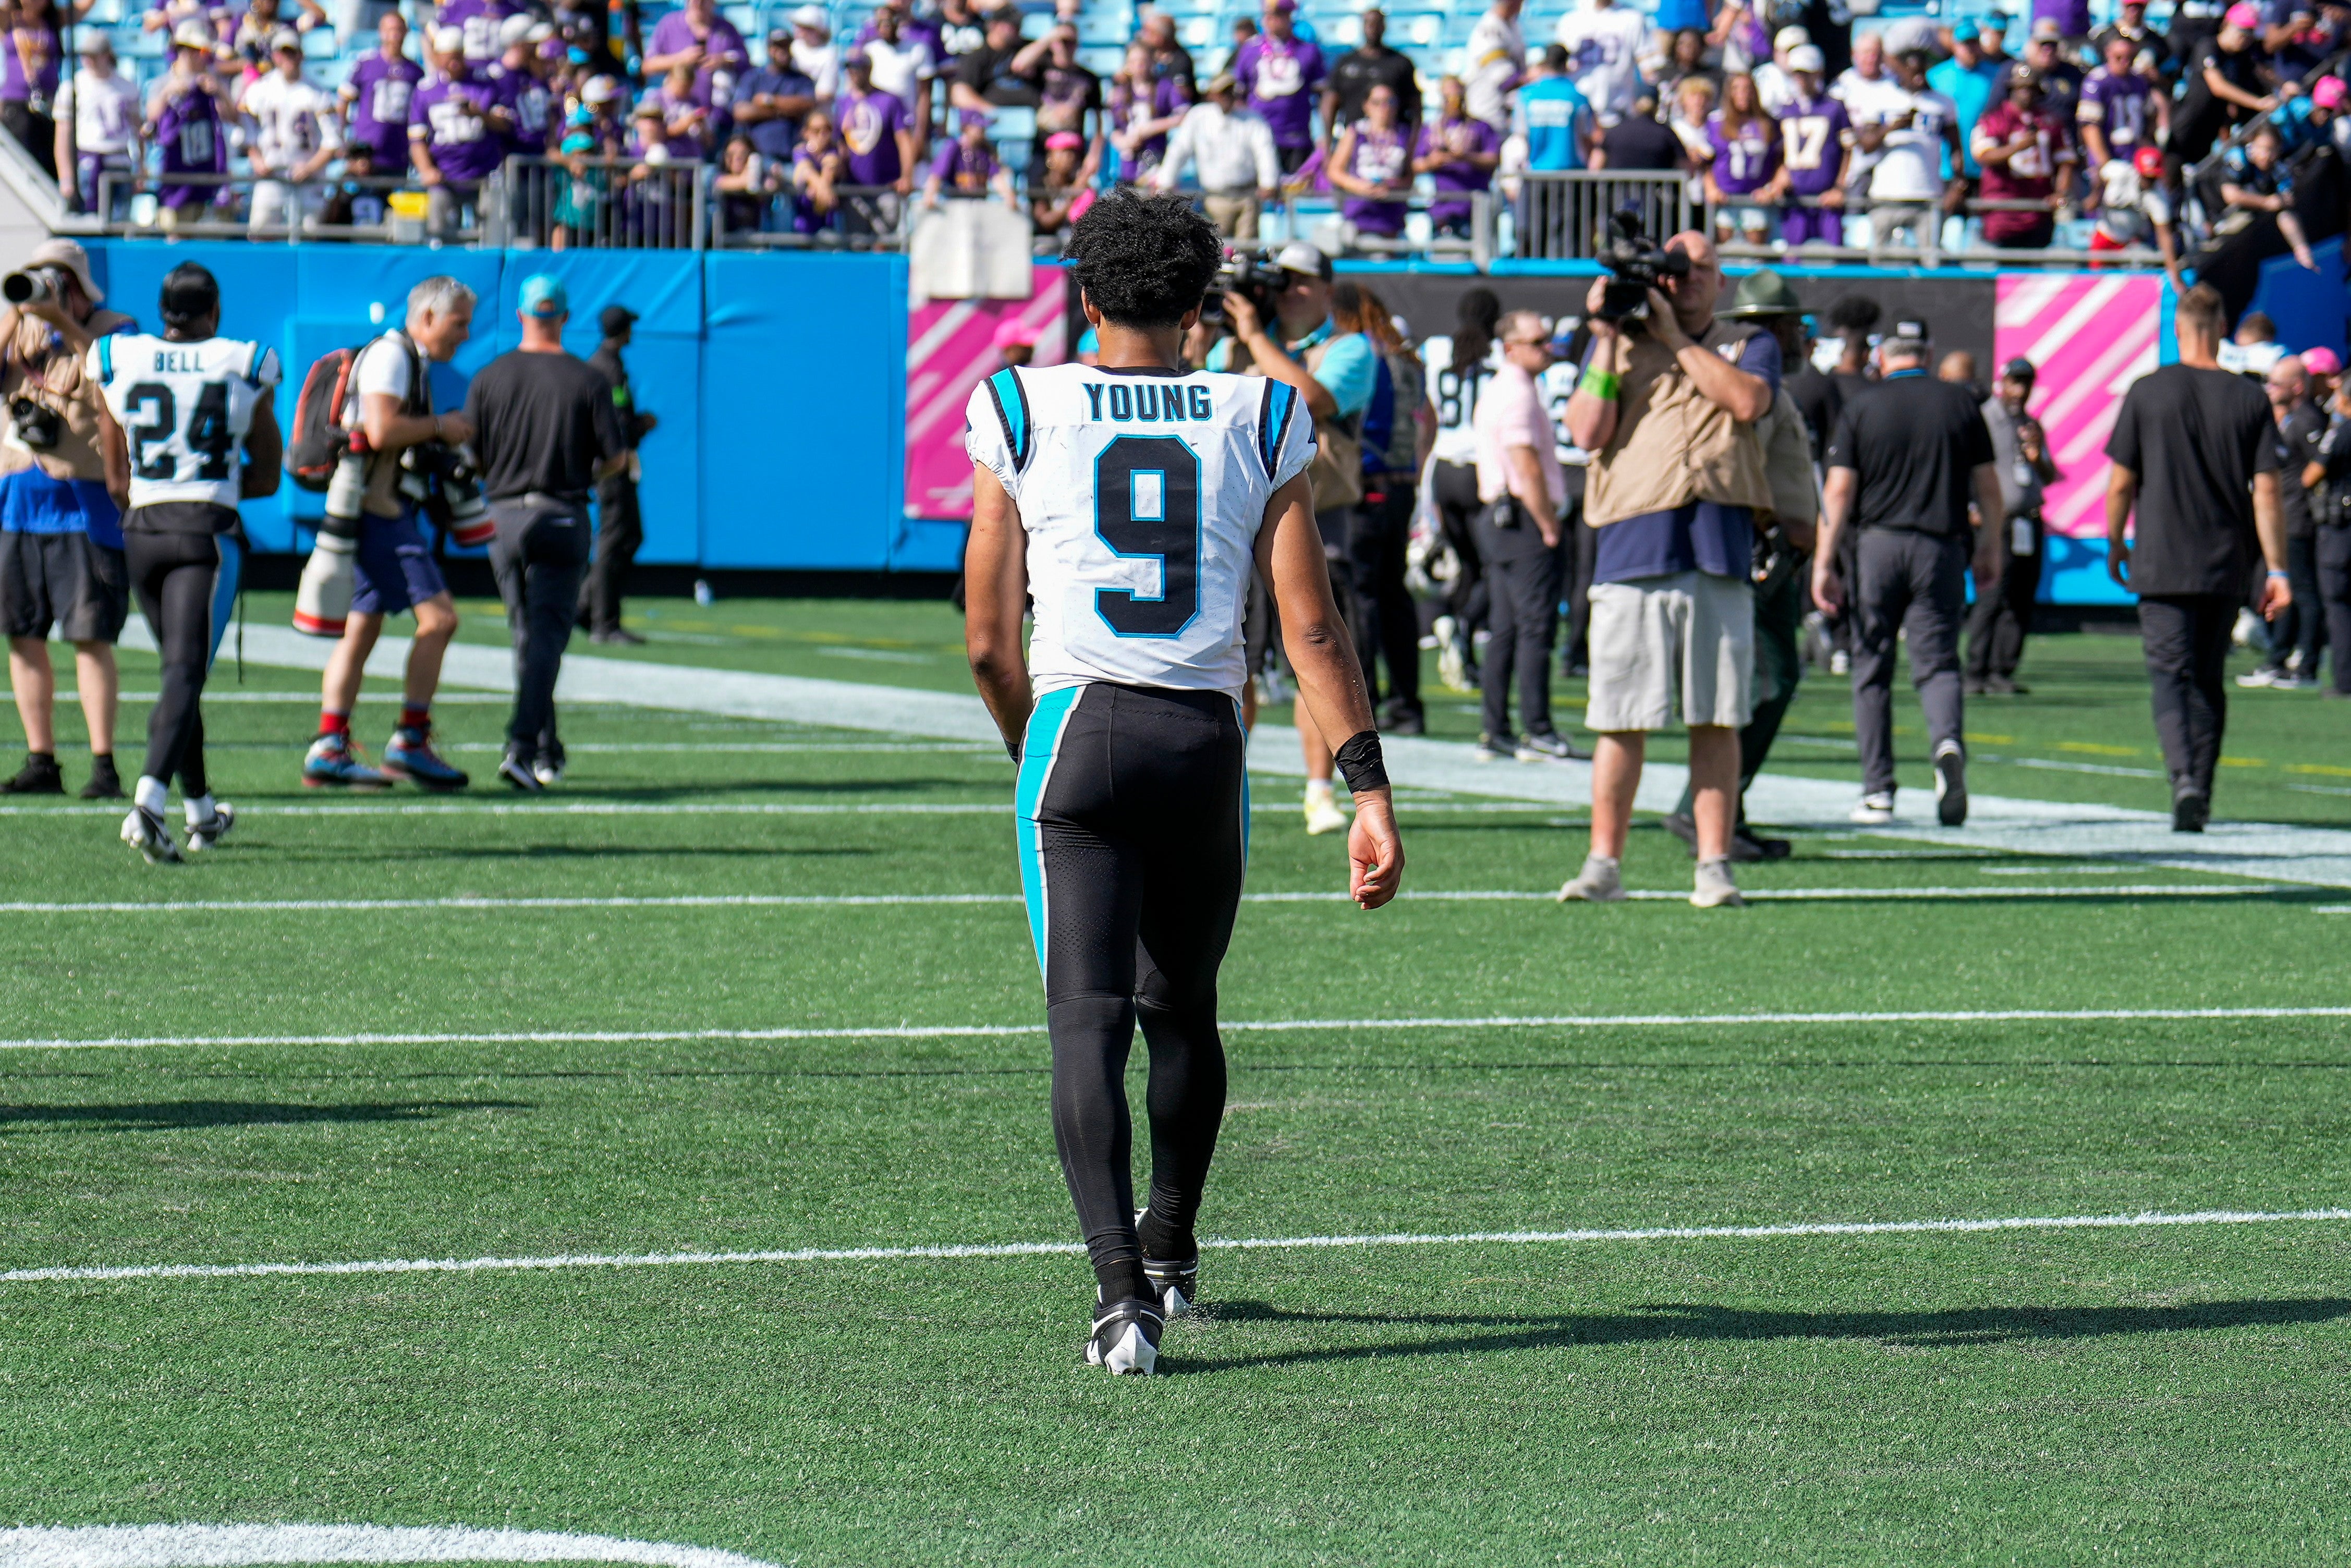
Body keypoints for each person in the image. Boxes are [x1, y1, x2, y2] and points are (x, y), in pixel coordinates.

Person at [959, 189, 1403, 1377]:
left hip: (1077, 722)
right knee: (1184, 1009)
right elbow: (1309, 631)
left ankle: (1120, 1299)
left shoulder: (1017, 400)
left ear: (1085, 294)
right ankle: (1171, 1242)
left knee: (1085, 1020)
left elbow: (989, 640)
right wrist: (1367, 787)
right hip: (1204, 735)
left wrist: (1033, 749)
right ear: (1202, 300)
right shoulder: (1260, 410)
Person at [1562, 230, 1776, 909]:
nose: (1680, 282)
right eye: (1670, 271)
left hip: (1716, 546)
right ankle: (1604, 863)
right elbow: (1585, 430)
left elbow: (1746, 402)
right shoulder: (1616, 344)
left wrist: (1675, 340)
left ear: (1719, 282)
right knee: (1619, 717)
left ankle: (1712, 864)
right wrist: (1604, 335)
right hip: (1632, 543)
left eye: (1695, 271)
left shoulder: (1749, 342)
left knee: (1715, 717)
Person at [88, 263, 279, 862]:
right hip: (207, 534)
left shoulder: (118, 356)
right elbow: (270, 474)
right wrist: (210, 488)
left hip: (142, 530)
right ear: (215, 311)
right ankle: (150, 801)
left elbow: (116, 476)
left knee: (181, 671)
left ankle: (199, 809)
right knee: (184, 671)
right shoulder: (243, 359)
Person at [2103, 285, 2289, 831]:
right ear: (2223, 325)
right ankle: (2201, 788)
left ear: (2179, 328)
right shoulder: (2250, 398)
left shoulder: (2148, 391)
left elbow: (2121, 483)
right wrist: (2276, 568)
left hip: (2161, 559)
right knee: (2209, 677)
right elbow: (2268, 491)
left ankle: (2182, 777)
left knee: (2169, 674)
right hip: (2225, 560)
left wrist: (2117, 541)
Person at [1213, 241, 1379, 835]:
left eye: (1303, 281)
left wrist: (1257, 339)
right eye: (1281, 280)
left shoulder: (1349, 348)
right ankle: (1222, 779)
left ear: (1329, 289)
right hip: (1235, 516)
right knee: (1234, 659)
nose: (1288, 291)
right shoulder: (1234, 340)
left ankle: (1319, 790)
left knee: (1319, 656)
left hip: (1316, 516)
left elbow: (1307, 400)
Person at [1813, 319, 2000, 827]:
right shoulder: (1961, 403)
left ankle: (1878, 788)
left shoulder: (1863, 405)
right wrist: (1992, 547)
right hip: (1940, 545)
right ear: (1929, 351)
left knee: (1871, 665)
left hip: (1878, 544)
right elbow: (1988, 486)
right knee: (1938, 662)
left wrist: (1824, 559)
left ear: (1883, 356)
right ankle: (1946, 742)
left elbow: (1839, 492)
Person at [1662, 270, 1818, 862]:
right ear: (1775, 327)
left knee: (1767, 681)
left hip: (1780, 550)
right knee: (1767, 682)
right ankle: (1702, 803)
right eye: (1795, 324)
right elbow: (1737, 458)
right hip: (1760, 550)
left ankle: (1729, 811)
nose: (1803, 336)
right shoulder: (1754, 375)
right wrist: (1768, 527)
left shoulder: (1768, 378)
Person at [300, 275, 478, 791]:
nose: (465, 334)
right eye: (458, 323)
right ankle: (410, 740)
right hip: (378, 511)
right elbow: (381, 430)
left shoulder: (403, 357)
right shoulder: (394, 356)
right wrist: (442, 427)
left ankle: (329, 744)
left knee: (363, 628)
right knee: (440, 620)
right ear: (426, 319)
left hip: (368, 508)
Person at [465, 276, 625, 792]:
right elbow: (616, 457)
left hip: (503, 516)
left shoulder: (489, 376)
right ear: (565, 315)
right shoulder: (588, 378)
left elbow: (472, 454)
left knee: (526, 637)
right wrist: (582, 476)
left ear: (520, 315)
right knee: (547, 640)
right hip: (563, 513)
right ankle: (524, 745)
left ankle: (544, 746)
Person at [0, 238, 133, 799]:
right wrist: (15, 317)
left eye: (58, 283)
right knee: (23, 638)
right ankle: (41, 760)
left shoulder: (115, 329)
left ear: (80, 289)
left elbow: (114, 380)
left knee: (89, 638)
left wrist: (62, 320)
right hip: (18, 503)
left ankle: (103, 765)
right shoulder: (21, 332)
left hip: (85, 509)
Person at [1467, 309, 1580, 763]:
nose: (1547, 348)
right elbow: (1523, 462)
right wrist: (1548, 521)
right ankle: (1536, 727)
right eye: (1537, 342)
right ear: (1511, 347)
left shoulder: (1506, 387)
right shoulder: (1517, 392)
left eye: (1547, 339)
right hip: (1520, 519)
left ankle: (1496, 728)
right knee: (1534, 627)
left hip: (1501, 518)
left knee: (1507, 628)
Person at [1421, 287, 1500, 691]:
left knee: (1466, 564)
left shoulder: (1436, 350)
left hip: (1442, 470)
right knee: (1493, 566)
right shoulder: (1498, 354)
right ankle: (1465, 624)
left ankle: (1459, 638)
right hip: (1478, 469)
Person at [1966, 356, 2057, 696]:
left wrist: (2036, 456)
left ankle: (2001, 670)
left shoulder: (2030, 425)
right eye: (2014, 382)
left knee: (2021, 599)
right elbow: (1967, 466)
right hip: (1998, 522)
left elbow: (2047, 476)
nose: (2020, 391)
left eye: (2026, 384)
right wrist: (1971, 506)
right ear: (2001, 382)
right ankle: (1975, 671)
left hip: (2029, 521)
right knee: (1992, 597)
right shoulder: (1986, 420)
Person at [2238, 355, 2328, 688]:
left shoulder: (2306, 420)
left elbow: (2323, 461)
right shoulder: (2291, 419)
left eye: (2276, 383)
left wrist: (2303, 485)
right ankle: (2280, 658)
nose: (2269, 389)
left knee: (2304, 593)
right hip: (2288, 517)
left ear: (2298, 387)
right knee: (2285, 590)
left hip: (2298, 520)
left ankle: (2305, 664)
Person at [573, 304, 654, 646]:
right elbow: (616, 423)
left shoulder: (604, 364)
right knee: (614, 539)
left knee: (627, 536)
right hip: (611, 464)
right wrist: (641, 426)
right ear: (623, 330)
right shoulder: (607, 369)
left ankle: (586, 607)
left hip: (612, 463)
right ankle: (603, 621)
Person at [1856, 47, 1959, 252]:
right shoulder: (1882, 97)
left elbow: (1956, 147)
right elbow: (1866, 145)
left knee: (1931, 261)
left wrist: (1958, 184)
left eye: (1923, 71)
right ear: (1901, 70)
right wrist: (1891, 127)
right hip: (1887, 195)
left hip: (1928, 194)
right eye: (1913, 71)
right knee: (1880, 262)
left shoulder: (1942, 103)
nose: (1919, 77)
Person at [1153, 71, 1277, 240]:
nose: (1227, 97)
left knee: (1247, 251)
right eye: (1222, 92)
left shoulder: (1253, 120)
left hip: (1247, 197)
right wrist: (1165, 181)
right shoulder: (1198, 117)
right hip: (1214, 198)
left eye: (1230, 92)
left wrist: (1268, 182)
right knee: (1215, 250)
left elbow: (1265, 152)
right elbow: (1179, 150)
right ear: (1213, 95)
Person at [409, 25, 505, 237]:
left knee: (492, 237)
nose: (454, 63)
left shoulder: (485, 83)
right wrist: (426, 169)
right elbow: (417, 139)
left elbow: (505, 124)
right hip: (445, 176)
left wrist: (479, 114)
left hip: (484, 174)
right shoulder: (426, 90)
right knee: (438, 235)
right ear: (436, 57)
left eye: (458, 57)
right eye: (448, 58)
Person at [240, 28, 339, 233]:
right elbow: (245, 130)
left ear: (301, 55)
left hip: (307, 175)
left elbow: (333, 140)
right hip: (272, 172)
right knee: (260, 232)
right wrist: (256, 158)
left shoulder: (317, 93)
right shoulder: (261, 89)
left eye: (292, 52)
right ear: (275, 56)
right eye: (283, 53)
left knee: (309, 234)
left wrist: (310, 167)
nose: (288, 59)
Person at [1971, 67, 2074, 250]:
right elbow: (1984, 156)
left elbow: (2065, 160)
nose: (2027, 94)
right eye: (2022, 88)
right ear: (2011, 90)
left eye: (2032, 88)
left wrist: (2060, 192)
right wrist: (2017, 148)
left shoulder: (2050, 121)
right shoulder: (1994, 119)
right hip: (2004, 211)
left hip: (2039, 210)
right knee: (2006, 270)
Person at [1231, 0, 1323, 173]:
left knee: (1294, 193)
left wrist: (1322, 136)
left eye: (1279, 14)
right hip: (1259, 136)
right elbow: (1239, 94)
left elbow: (1322, 95)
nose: (1272, 19)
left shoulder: (1308, 51)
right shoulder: (1250, 49)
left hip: (1295, 137)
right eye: (1268, 14)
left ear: (1289, 16)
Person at [55, 34, 141, 220]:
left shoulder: (127, 87)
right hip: (88, 160)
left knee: (119, 220)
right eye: (86, 56)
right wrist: (66, 176)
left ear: (107, 55)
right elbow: (63, 135)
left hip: (119, 159)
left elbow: (138, 131)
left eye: (94, 55)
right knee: (89, 219)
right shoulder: (73, 87)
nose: (89, 61)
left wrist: (141, 169)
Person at [1776, 45, 1850, 247]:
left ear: (1819, 73)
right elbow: (1777, 152)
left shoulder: (1834, 107)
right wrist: (1779, 175)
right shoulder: (1785, 109)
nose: (1801, 79)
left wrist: (1840, 187)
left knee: (1833, 261)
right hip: (1795, 202)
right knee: (1793, 261)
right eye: (1798, 73)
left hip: (1827, 200)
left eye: (1806, 73)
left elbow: (1849, 151)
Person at [339, 9, 421, 188]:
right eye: (390, 30)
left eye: (399, 30)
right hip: (367, 154)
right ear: (381, 32)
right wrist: (343, 139)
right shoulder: (366, 63)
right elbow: (343, 100)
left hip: (397, 153)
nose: (395, 35)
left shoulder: (414, 72)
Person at [1415, 75, 1500, 239]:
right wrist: (1432, 161)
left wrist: (1465, 157)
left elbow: (1493, 159)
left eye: (1458, 97)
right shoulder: (1431, 129)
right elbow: (1416, 164)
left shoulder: (1481, 127)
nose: (1454, 102)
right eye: (1449, 97)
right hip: (1444, 209)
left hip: (1476, 207)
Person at [1705, 71, 1784, 248]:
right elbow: (1706, 163)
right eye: (1736, 89)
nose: (1743, 94)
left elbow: (1781, 161)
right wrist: (1711, 188)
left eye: (1747, 89)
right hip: (1726, 199)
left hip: (1756, 199)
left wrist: (1772, 188)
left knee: (1756, 253)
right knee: (1727, 252)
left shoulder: (1767, 123)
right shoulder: (1717, 122)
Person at [1321, 5, 1417, 148]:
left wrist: (1412, 145)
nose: (1373, 28)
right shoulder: (1346, 63)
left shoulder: (1400, 63)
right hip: (1353, 144)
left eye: (1377, 24)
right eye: (1369, 24)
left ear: (1384, 27)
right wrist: (1328, 142)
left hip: (1391, 144)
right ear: (1363, 26)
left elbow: (1415, 107)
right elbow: (1330, 102)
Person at [1328, 79, 1411, 241]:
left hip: (1391, 213)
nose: (1384, 108)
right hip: (1360, 211)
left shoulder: (1405, 134)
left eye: (1389, 102)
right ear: (1366, 106)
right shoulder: (1355, 132)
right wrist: (1359, 186)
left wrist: (1390, 186)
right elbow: (1334, 171)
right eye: (1377, 102)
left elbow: (1410, 177)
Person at [2311, 373, 2351, 696]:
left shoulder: (2340, 433)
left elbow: (2313, 474)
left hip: (2341, 529)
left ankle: (2344, 680)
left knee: (2338, 606)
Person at [1554, 0, 1646, 127]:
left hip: (1619, 112)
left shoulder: (1632, 18)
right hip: (1580, 114)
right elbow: (1558, 68)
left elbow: (1648, 65)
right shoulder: (1571, 20)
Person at [1517, 43, 1593, 172]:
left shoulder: (1526, 96)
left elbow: (1521, 136)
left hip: (1537, 173)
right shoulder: (1576, 97)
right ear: (1566, 65)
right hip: (1570, 175)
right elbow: (1587, 136)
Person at [1460, 0, 1522, 131]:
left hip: (1505, 111)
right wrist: (1535, 77)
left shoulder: (1512, 24)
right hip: (1487, 111)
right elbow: (1504, 78)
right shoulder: (1489, 29)